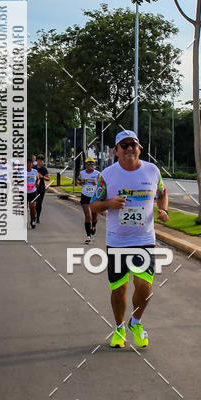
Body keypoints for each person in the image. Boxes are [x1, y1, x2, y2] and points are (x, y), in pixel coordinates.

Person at [90, 130, 168, 349]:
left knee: (144, 287)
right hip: (117, 241)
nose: (129, 148)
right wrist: (109, 204)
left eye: (132, 144)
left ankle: (136, 322)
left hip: (144, 239)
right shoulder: (107, 175)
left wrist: (163, 210)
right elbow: (93, 204)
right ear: (116, 151)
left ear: (139, 148)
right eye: (123, 145)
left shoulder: (152, 171)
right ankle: (119, 327)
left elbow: (162, 193)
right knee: (119, 289)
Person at [77, 157, 99, 243]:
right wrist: (80, 182)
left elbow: (102, 184)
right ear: (85, 165)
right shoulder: (82, 173)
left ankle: (94, 225)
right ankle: (88, 236)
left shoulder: (97, 173)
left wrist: (95, 183)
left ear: (94, 165)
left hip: (94, 197)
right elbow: (77, 181)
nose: (90, 165)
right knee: (88, 215)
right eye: (88, 164)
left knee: (94, 215)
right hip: (85, 196)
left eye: (92, 164)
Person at [35, 155, 50, 224]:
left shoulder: (44, 169)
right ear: (36, 161)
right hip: (33, 188)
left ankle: (38, 217)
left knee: (39, 203)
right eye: (38, 160)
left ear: (43, 161)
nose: (40, 162)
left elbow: (48, 178)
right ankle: (34, 215)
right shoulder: (33, 168)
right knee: (34, 203)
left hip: (41, 188)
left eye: (41, 160)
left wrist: (42, 176)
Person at [26, 158, 38, 229]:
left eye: (30, 163)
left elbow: (38, 179)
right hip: (24, 192)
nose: (28, 165)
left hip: (33, 192)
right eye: (27, 163)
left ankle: (33, 220)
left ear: (31, 164)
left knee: (32, 207)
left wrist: (37, 183)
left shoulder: (35, 171)